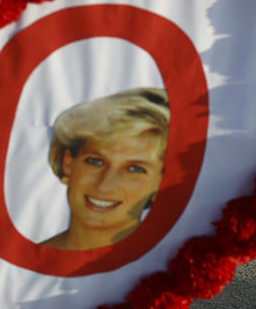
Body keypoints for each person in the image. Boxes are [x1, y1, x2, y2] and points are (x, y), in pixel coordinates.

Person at [42, 87, 168, 251]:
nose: (105, 185)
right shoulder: (12, 269)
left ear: (162, 182)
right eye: (95, 161)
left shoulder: (167, 265)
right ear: (68, 163)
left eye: (135, 169)